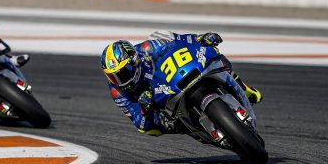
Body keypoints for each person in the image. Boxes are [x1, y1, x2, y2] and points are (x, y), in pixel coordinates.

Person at [100, 31, 262, 136]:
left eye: (122, 73)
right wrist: (145, 109)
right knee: (153, 130)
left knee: (214, 54)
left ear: (134, 61)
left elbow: (179, 40)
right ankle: (191, 128)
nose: (119, 80)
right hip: (159, 105)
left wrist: (200, 39)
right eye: (113, 76)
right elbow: (141, 125)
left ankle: (243, 88)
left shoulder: (147, 48)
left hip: (170, 78)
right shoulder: (117, 92)